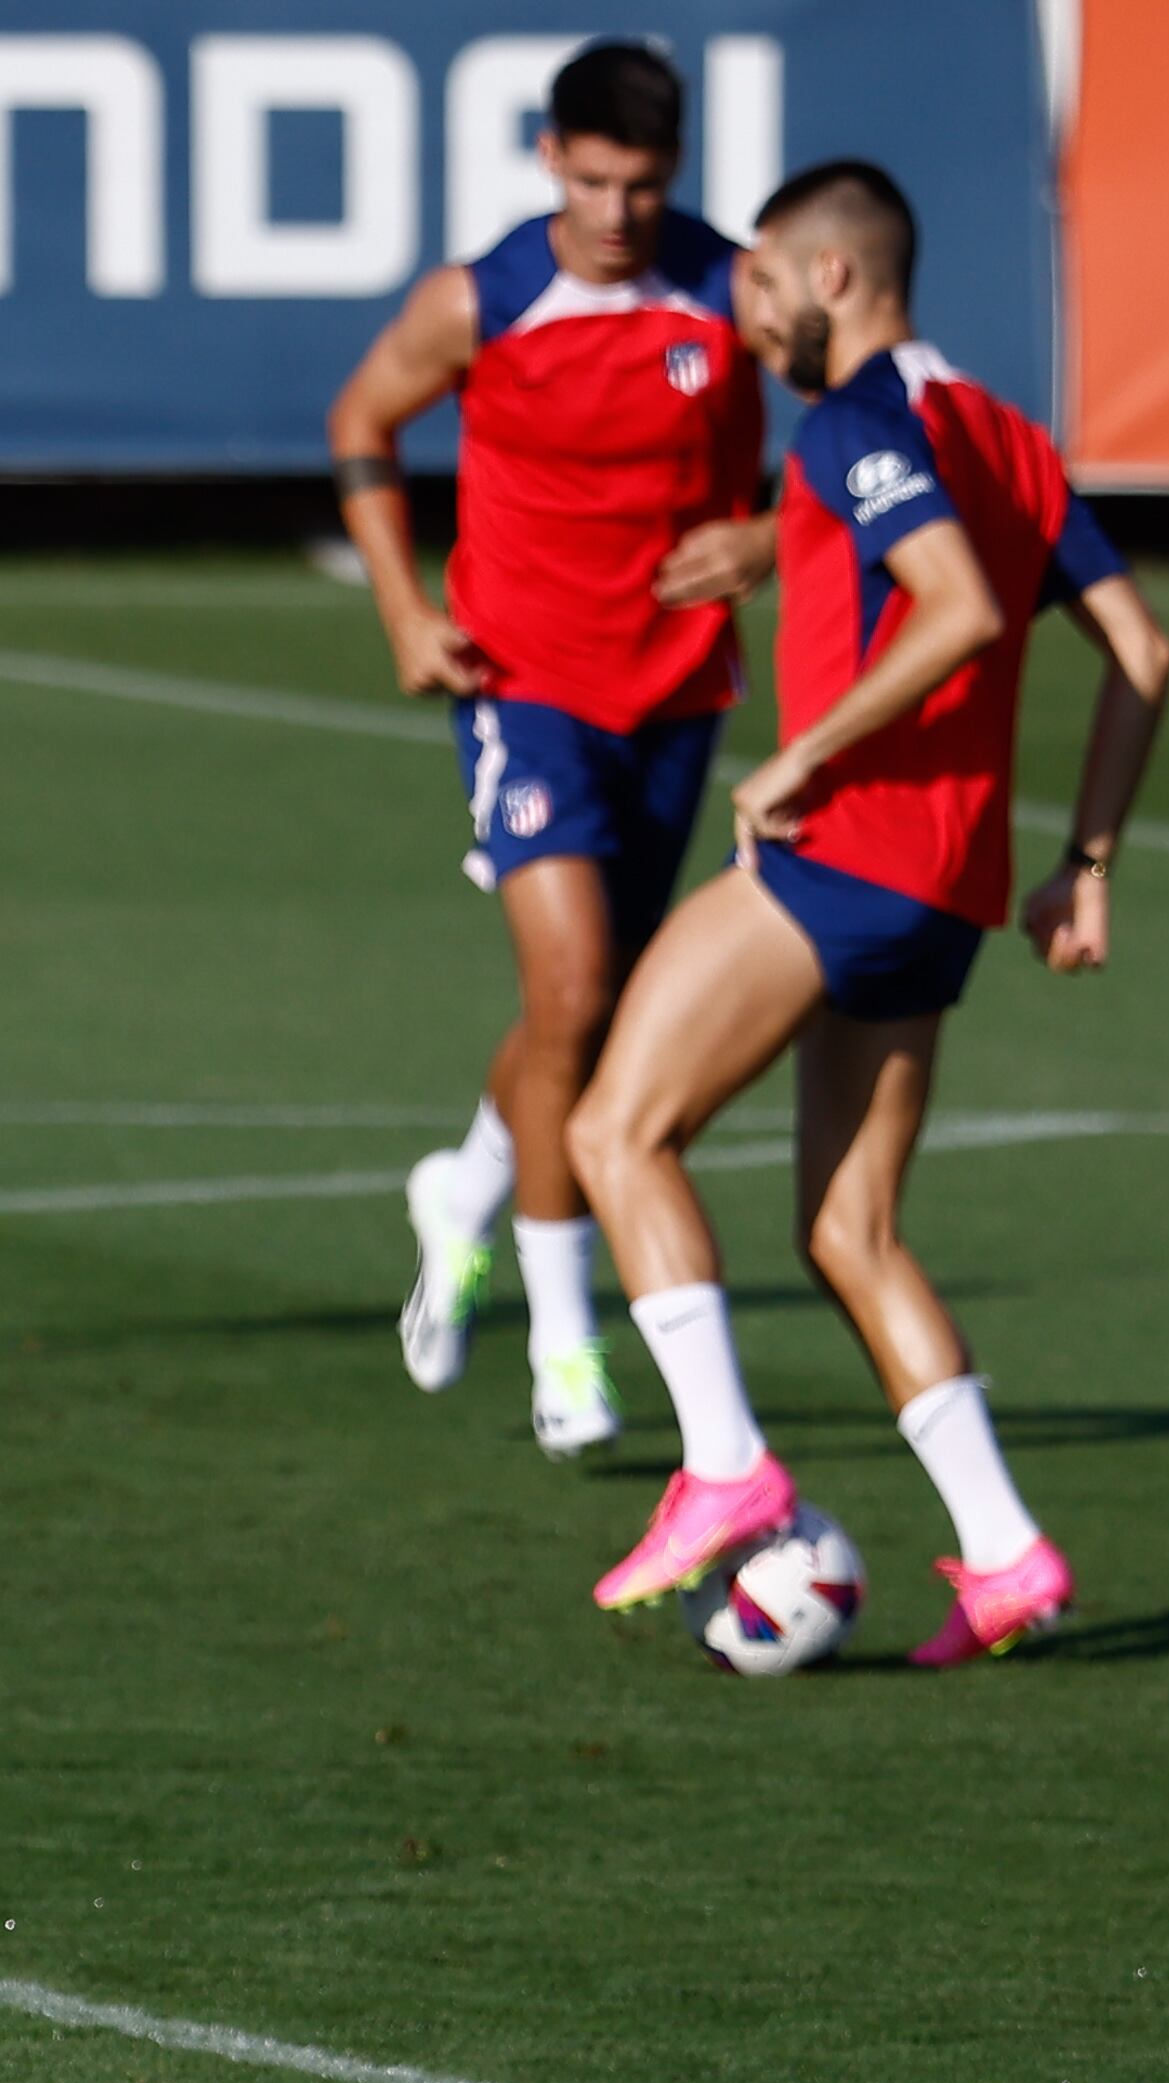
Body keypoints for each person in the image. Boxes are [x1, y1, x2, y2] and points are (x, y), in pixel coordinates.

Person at [566, 162, 1169, 1660]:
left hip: (845, 854)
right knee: (851, 1229)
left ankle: (721, 1466)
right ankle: (1007, 1550)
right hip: (951, 891)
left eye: (764, 276)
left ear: (833, 278)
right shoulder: (1013, 439)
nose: (748, 305)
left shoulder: (856, 419)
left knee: (613, 1134)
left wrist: (805, 750)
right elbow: (1144, 650)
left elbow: (957, 603)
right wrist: (1082, 864)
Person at [326, 42, 770, 1457]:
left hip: (679, 689)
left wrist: (768, 536)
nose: (620, 210)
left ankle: (464, 1183)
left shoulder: (733, 290)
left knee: (593, 1007)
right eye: (592, 180)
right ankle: (566, 1345)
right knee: (576, 983)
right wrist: (402, 605)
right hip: (525, 680)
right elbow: (361, 423)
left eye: (644, 184)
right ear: (546, 158)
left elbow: (857, 444)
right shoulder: (483, 301)